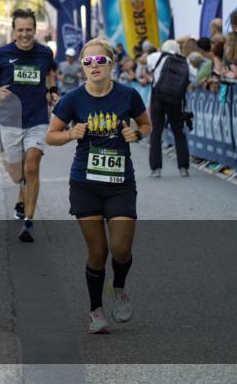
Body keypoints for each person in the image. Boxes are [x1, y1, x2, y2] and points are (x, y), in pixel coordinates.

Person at [47, 37, 151, 334]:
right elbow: (51, 135)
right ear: (82, 67)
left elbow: (146, 124)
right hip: (85, 183)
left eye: (100, 61)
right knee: (97, 252)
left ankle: (118, 286)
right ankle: (95, 310)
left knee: (120, 249)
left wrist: (137, 134)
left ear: (111, 64)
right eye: (88, 62)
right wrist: (70, 134)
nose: (94, 66)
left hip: (120, 182)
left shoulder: (128, 95)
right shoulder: (73, 99)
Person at [0, 9, 58, 243]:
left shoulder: (45, 53)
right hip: (10, 121)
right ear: (13, 32)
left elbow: (51, 74)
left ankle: (28, 221)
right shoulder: (3, 53)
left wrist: (53, 92)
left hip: (37, 119)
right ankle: (20, 191)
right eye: (20, 30)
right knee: (18, 175)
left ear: (35, 30)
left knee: (32, 165)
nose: (25, 34)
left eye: (29, 30)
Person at [145, 39, 191, 177]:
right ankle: (183, 167)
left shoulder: (155, 57)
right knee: (178, 132)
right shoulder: (184, 61)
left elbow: (147, 67)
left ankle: (156, 169)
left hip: (158, 97)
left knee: (156, 132)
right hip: (175, 100)